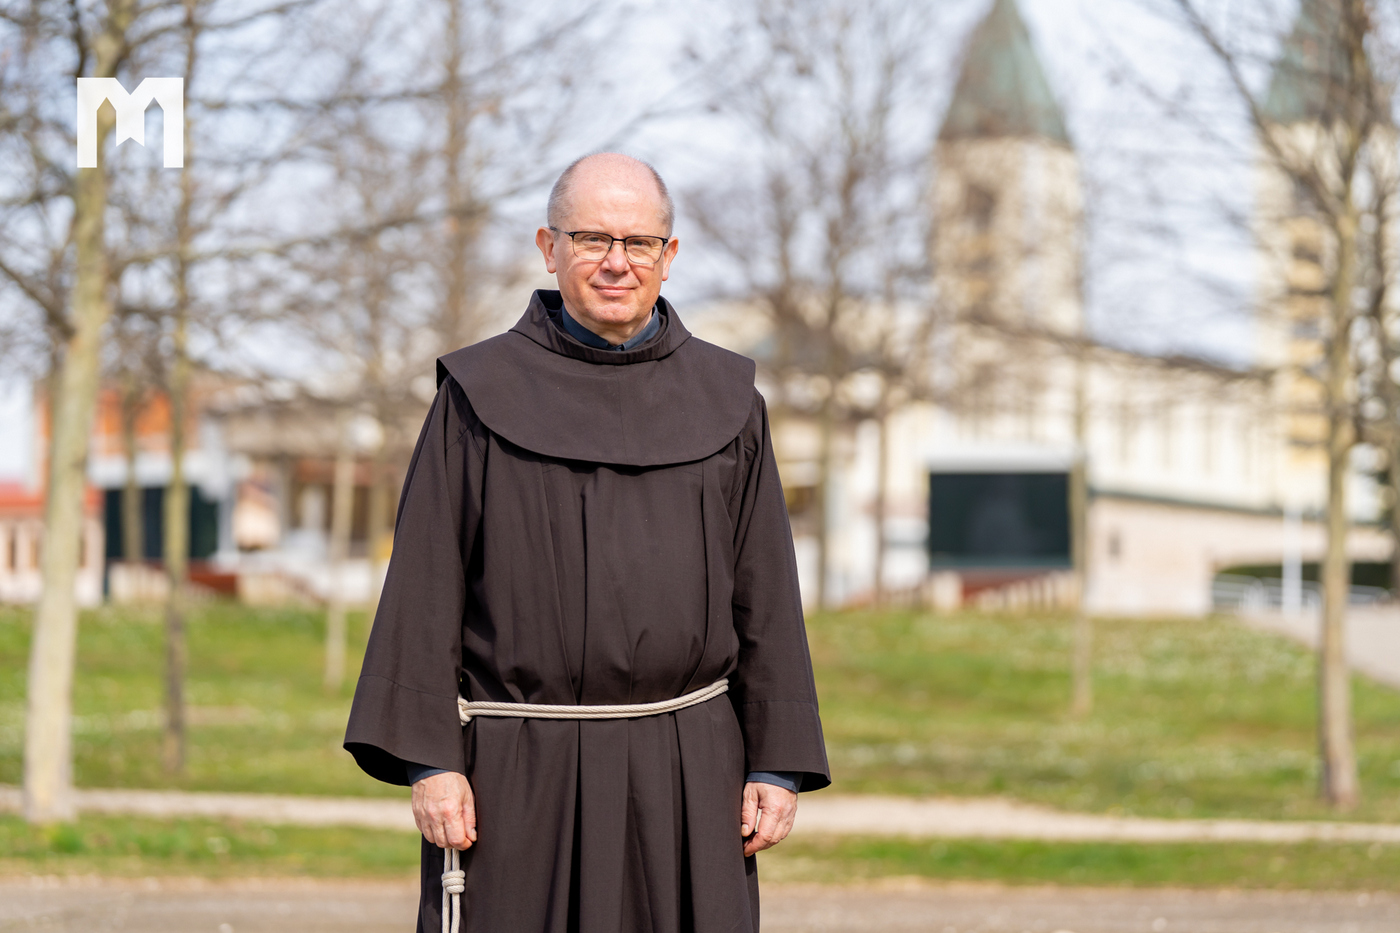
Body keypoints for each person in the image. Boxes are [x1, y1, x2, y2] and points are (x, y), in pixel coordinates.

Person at [344, 152, 829, 933]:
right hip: (516, 770)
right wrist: (434, 763)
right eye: (592, 238)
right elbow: (424, 590)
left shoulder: (731, 401)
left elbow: (766, 592)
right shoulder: (476, 398)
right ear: (549, 248)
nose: (616, 261)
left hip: (688, 769)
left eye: (638, 242)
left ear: (669, 258)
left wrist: (776, 761)